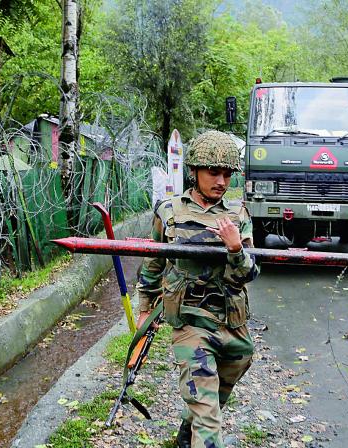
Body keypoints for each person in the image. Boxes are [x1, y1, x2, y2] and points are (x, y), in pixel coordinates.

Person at [135, 130, 260, 448]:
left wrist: (236, 249)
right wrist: (145, 309)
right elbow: (153, 265)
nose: (221, 181)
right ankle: (199, 432)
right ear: (194, 171)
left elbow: (249, 274)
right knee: (208, 415)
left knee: (226, 378)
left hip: (231, 322)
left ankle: (185, 432)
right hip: (190, 322)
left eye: (227, 174)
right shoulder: (169, 212)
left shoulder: (237, 215)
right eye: (213, 172)